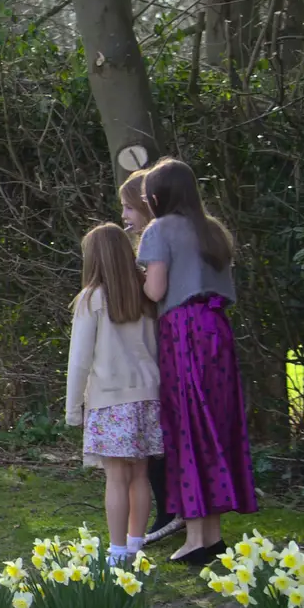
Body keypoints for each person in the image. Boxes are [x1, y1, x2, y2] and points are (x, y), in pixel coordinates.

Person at [137, 158, 257, 565]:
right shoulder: (213, 230)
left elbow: (155, 291)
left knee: (187, 427)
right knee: (216, 426)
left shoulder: (160, 229)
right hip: (217, 329)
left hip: (183, 331)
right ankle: (212, 535)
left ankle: (194, 538)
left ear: (156, 197)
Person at [65, 223, 164, 566]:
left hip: (110, 399)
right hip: (149, 396)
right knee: (140, 474)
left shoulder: (91, 299)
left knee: (116, 478)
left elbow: (79, 361)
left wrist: (73, 407)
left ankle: (117, 549)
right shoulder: (145, 296)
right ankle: (136, 542)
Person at [119, 168, 180, 546]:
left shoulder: (157, 237)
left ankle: (170, 509)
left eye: (127, 207)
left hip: (164, 341)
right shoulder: (150, 238)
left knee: (159, 431)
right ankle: (168, 508)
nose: (124, 215)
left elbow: (152, 291)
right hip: (157, 342)